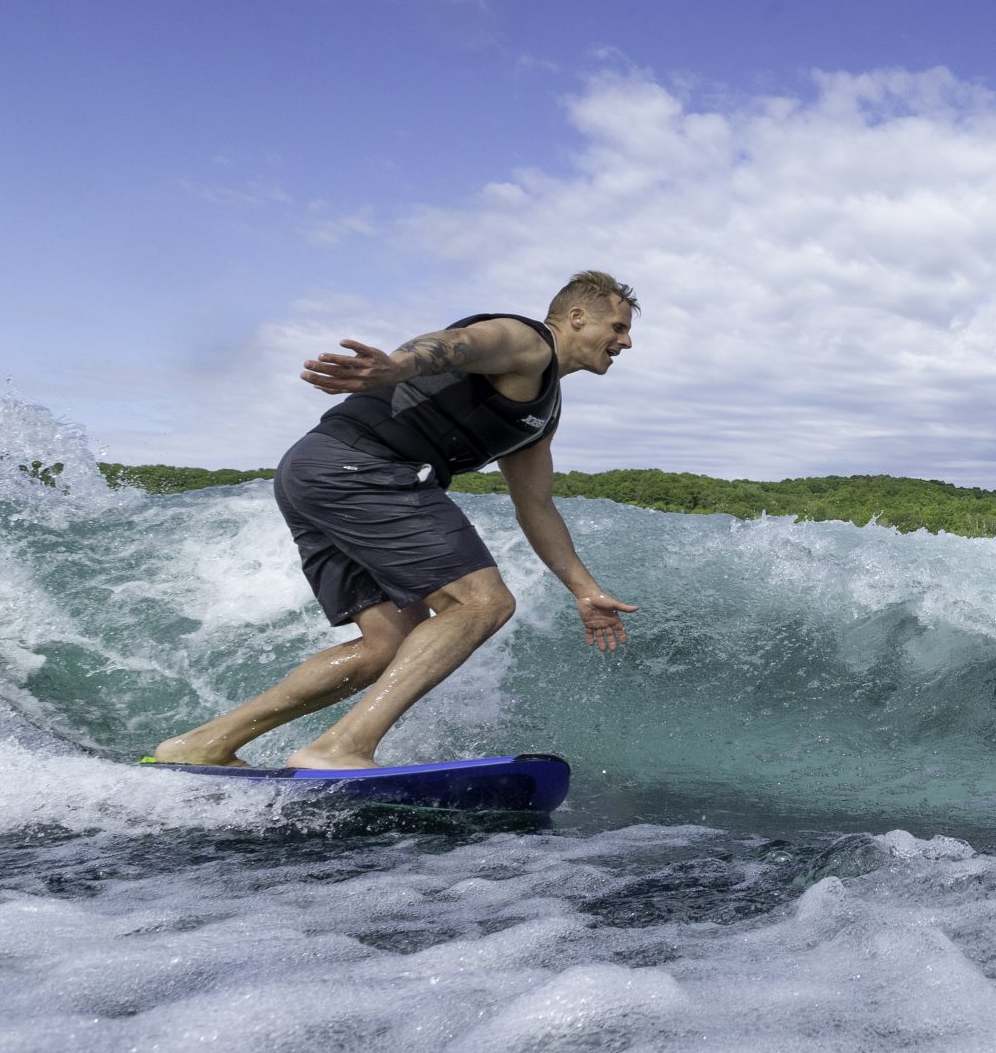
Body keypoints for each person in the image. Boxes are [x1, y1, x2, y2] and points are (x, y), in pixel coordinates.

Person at [153, 271, 641, 770]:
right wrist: (397, 366)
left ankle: (206, 742)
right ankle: (341, 747)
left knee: (385, 646)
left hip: (315, 469)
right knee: (483, 603)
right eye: (618, 327)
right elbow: (464, 343)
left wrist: (583, 589)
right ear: (577, 318)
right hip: (362, 466)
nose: (625, 341)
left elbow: (535, 506)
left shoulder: (541, 410)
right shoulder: (527, 343)